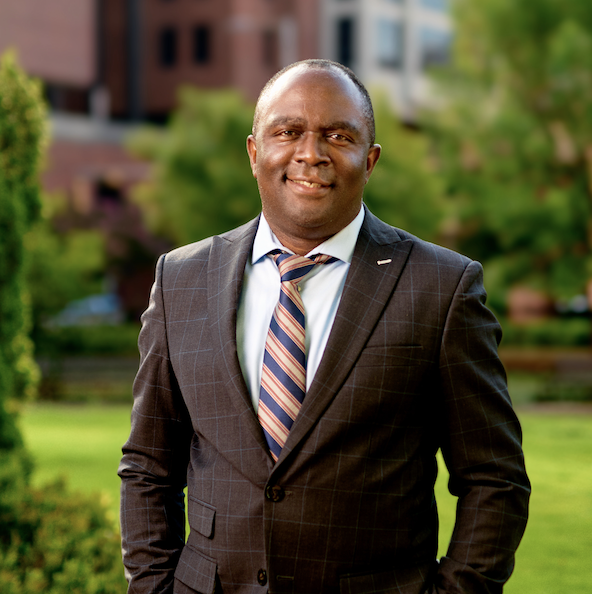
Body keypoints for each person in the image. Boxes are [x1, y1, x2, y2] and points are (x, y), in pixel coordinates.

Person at [119, 59, 530, 594]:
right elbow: (149, 465)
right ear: (254, 153)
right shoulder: (182, 279)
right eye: (288, 132)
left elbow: (495, 478)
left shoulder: (441, 288)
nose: (310, 154)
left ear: (370, 159)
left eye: (338, 136)